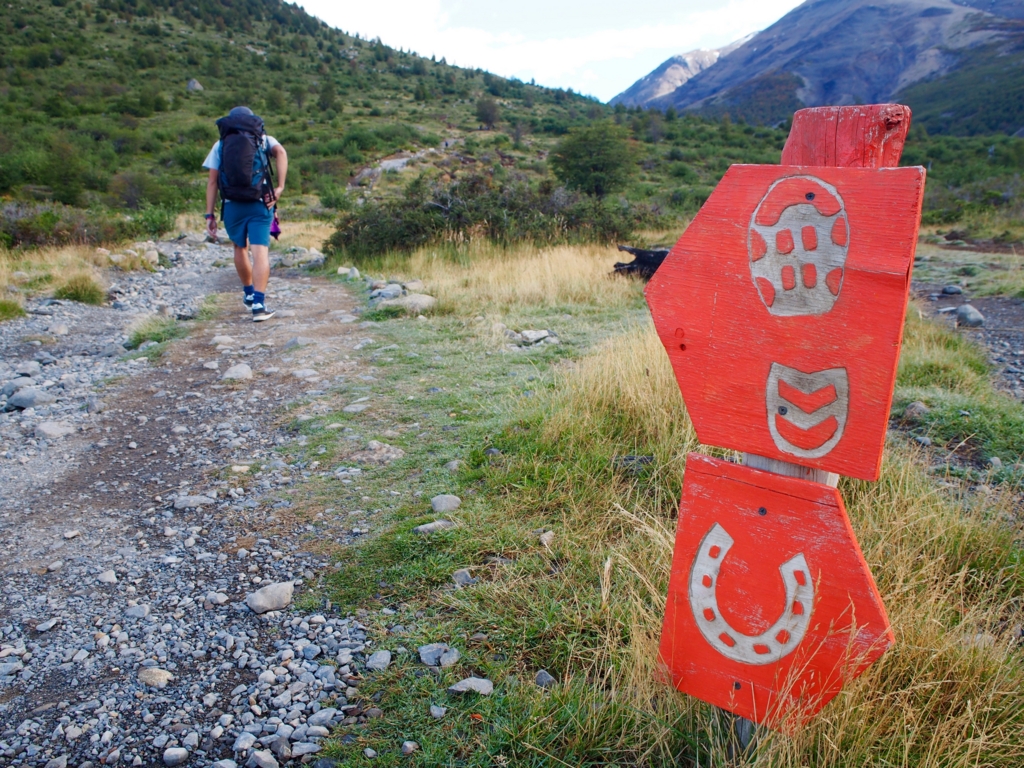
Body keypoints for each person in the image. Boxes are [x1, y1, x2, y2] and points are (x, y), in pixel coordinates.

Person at [203, 106, 288, 322]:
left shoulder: (220, 144)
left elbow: (212, 181)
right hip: (260, 201)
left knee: (239, 247)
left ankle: (249, 293)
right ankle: (259, 305)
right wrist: (280, 187)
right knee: (260, 252)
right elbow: (282, 153)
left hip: (232, 204)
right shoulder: (264, 139)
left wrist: (209, 215)